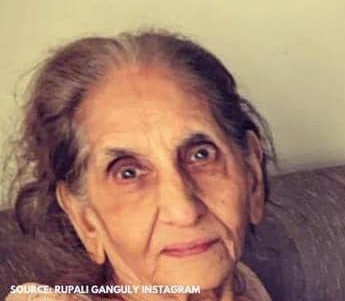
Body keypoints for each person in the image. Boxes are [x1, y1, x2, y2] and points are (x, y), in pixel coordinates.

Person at [6, 30, 274, 301]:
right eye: (128, 173)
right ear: (85, 219)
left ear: (252, 176)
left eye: (201, 155)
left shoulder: (243, 284)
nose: (183, 211)